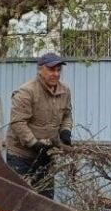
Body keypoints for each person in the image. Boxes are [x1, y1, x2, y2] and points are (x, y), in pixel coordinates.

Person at [5, 52, 73, 199]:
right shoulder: (27, 91)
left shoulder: (64, 91)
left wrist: (65, 132)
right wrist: (33, 143)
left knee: (45, 200)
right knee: (20, 200)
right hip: (21, 155)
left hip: (45, 155)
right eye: (51, 69)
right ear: (40, 69)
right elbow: (17, 122)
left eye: (58, 70)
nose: (55, 74)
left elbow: (67, 115)